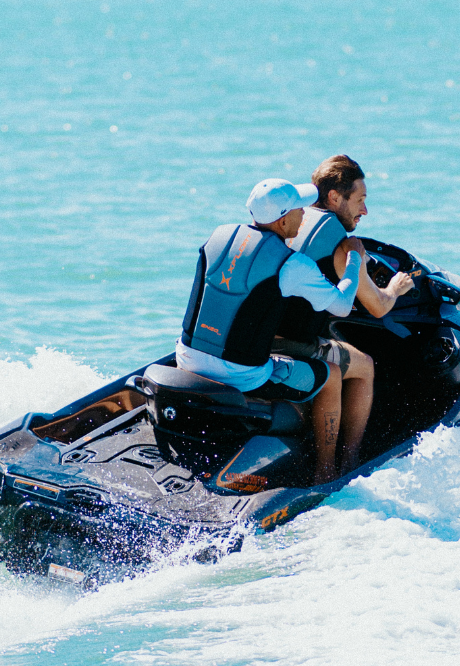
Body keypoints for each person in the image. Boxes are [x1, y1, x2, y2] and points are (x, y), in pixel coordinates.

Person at [175, 178, 365, 484]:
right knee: (330, 376)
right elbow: (341, 305)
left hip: (186, 358)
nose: (305, 216)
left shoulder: (218, 235)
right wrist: (355, 257)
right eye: (300, 210)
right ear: (283, 218)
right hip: (242, 375)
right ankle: (326, 471)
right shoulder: (292, 265)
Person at [274, 155, 415, 473]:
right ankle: (345, 462)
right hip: (291, 345)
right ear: (335, 197)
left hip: (261, 336)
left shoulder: (293, 220)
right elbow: (377, 307)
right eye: (360, 200)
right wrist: (396, 287)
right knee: (363, 366)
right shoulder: (341, 244)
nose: (364, 210)